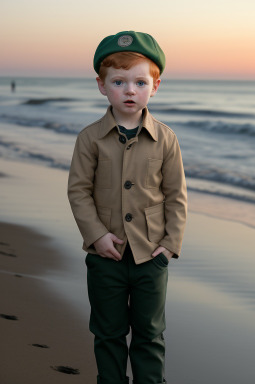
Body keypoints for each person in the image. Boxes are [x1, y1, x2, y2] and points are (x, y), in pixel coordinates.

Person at [68, 31, 187, 384]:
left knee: (150, 335)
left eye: (139, 81)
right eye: (119, 81)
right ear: (102, 86)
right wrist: (96, 236)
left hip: (152, 255)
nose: (130, 90)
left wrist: (169, 245)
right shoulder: (90, 138)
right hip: (107, 255)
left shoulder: (165, 138)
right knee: (108, 333)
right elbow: (78, 191)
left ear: (155, 85)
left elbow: (177, 195)